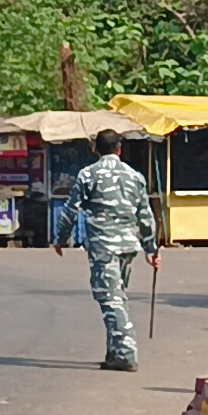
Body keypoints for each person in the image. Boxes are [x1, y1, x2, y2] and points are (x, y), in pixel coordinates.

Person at [54, 129, 161, 371]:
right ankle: (114, 352)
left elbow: (71, 210)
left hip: (104, 246)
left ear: (96, 149)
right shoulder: (135, 176)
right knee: (118, 296)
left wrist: (60, 239)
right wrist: (151, 248)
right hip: (128, 246)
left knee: (111, 298)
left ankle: (125, 353)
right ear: (119, 149)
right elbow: (146, 215)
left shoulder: (88, 175)